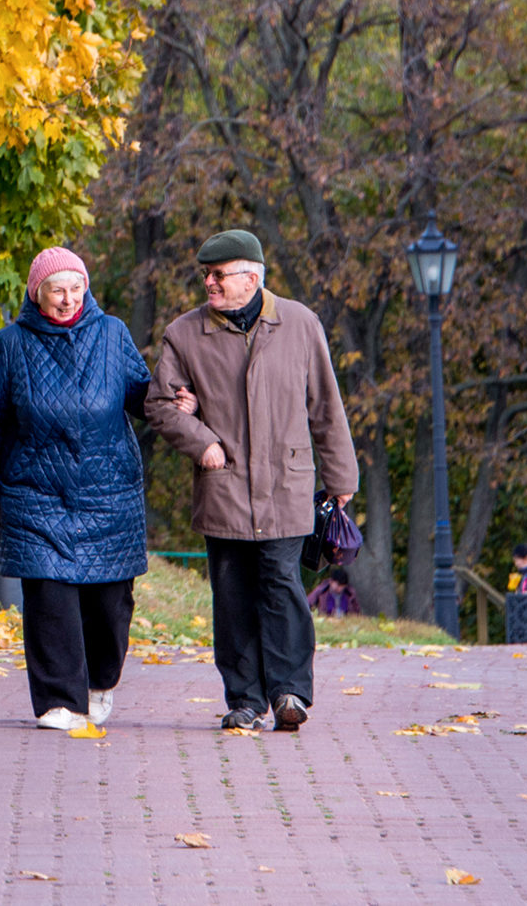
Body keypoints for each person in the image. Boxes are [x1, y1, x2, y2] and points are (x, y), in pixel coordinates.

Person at [146, 228, 359, 733]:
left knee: (282, 585)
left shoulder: (300, 323)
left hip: (287, 485)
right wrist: (202, 441)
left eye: (219, 275)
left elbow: (326, 405)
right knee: (233, 595)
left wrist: (341, 475)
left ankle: (289, 693)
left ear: (251, 277)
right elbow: (159, 405)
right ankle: (244, 699)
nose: (209, 283)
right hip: (224, 486)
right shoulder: (184, 333)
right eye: (206, 275)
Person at [0, 247, 154, 731]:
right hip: (36, 491)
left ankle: (99, 683)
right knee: (50, 600)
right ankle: (58, 701)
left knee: (110, 606)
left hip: (108, 491)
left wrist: (181, 397)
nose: (68, 299)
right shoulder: (11, 343)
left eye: (75, 288)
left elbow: (145, 397)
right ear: (37, 293)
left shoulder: (113, 333)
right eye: (57, 290)